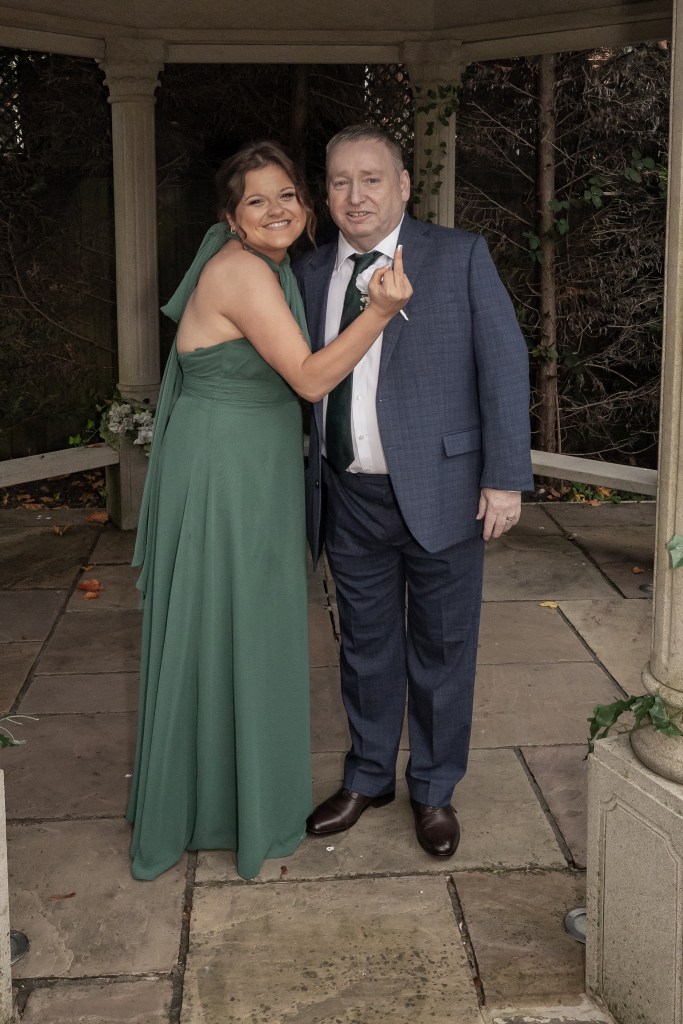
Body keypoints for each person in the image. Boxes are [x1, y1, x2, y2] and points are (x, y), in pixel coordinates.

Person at [126, 140, 412, 881]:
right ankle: (223, 807)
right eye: (256, 200)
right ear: (232, 217)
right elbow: (311, 379)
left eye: (287, 194)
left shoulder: (272, 266)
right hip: (226, 471)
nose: (276, 209)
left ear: (306, 206)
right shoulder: (242, 271)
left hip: (246, 462)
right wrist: (380, 311)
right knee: (231, 624)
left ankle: (220, 802)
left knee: (235, 627)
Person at [295, 124, 533, 858]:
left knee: (442, 648)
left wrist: (504, 477)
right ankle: (368, 776)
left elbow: (503, 366)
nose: (355, 195)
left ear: (402, 186)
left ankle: (433, 788)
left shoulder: (457, 256)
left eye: (371, 178)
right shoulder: (308, 272)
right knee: (364, 647)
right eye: (340, 181)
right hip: (347, 496)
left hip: (446, 491)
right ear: (325, 193)